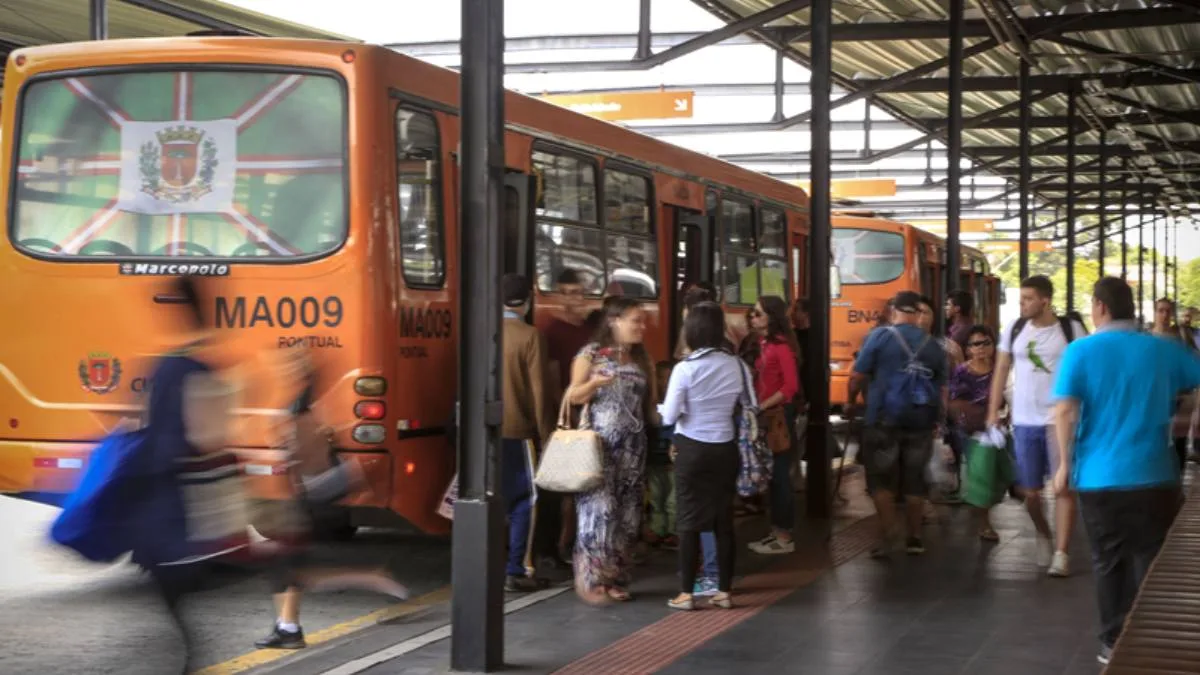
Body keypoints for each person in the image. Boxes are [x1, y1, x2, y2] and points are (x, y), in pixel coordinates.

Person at [1052, 277, 1200, 665]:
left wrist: (1064, 465)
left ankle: (1113, 642)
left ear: (1100, 306)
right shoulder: (1162, 349)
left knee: (1110, 561)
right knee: (1152, 560)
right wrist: (1183, 416)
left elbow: (1065, 409)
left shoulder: (1080, 351)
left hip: (1100, 477)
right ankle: (1151, 636)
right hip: (1156, 474)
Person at [986, 275, 1085, 578]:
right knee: (1030, 493)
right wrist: (992, 412)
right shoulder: (1015, 330)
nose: (1023, 304)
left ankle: (1062, 553)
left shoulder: (1071, 330)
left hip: (1060, 420)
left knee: (1063, 487)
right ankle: (1044, 533)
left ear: (1045, 300)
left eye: (1028, 298)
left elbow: (1087, 368)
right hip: (1025, 420)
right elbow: (1001, 369)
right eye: (1021, 299)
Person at [660, 302, 756, 611]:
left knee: (689, 520)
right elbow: (749, 402)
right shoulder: (736, 364)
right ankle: (724, 591)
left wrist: (668, 408)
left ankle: (686, 593)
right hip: (725, 448)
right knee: (722, 520)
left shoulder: (685, 368)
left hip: (692, 447)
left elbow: (670, 415)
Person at [565, 297, 655, 604]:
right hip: (599, 445)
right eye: (636, 320)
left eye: (642, 321)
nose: (641, 327)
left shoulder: (640, 357)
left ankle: (616, 576)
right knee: (598, 512)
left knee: (628, 517)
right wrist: (595, 384)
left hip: (633, 447)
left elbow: (647, 405)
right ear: (614, 321)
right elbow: (573, 395)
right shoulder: (589, 355)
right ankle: (592, 578)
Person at [849, 291, 948, 557]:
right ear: (916, 313)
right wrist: (939, 417)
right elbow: (942, 387)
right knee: (915, 481)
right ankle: (914, 538)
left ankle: (888, 533)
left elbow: (857, 375)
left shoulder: (880, 337)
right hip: (920, 421)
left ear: (893, 310)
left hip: (883, 419)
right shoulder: (932, 344)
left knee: (881, 481)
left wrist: (851, 401)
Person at [535, 268, 592, 571]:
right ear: (558, 296)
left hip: (589, 418)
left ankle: (574, 544)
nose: (575, 299)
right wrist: (569, 414)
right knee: (558, 489)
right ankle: (552, 548)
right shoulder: (551, 331)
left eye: (579, 292)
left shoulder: (589, 332)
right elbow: (554, 380)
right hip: (570, 420)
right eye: (569, 293)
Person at [500, 274, 552, 592]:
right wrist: (547, 436)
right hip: (519, 433)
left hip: (482, 434)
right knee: (524, 502)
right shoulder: (530, 336)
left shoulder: (481, 333)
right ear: (528, 300)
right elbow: (539, 392)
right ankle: (517, 568)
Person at [746, 295, 801, 555]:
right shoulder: (762, 344)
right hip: (765, 414)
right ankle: (777, 530)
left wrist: (763, 405)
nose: (752, 317)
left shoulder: (780, 347)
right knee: (772, 474)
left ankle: (784, 535)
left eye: (757, 313)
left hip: (777, 416)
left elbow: (790, 387)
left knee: (779, 475)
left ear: (771, 317)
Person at [949, 325, 999, 540]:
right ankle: (984, 522)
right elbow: (954, 401)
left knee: (998, 475)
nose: (980, 348)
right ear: (967, 349)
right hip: (972, 432)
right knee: (980, 475)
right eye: (974, 344)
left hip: (1000, 430)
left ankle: (982, 505)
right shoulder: (962, 372)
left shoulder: (1001, 368)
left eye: (985, 342)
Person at [945, 289, 975, 354]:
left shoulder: (961, 331)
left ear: (957, 308)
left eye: (948, 305)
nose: (946, 307)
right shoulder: (964, 326)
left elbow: (948, 354)